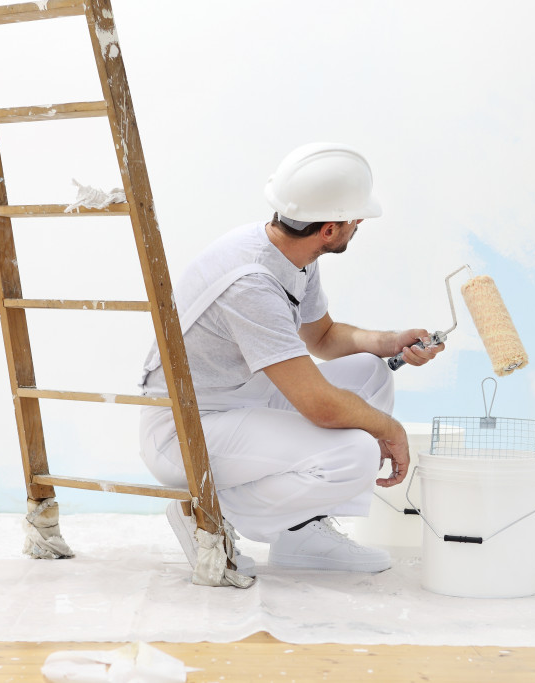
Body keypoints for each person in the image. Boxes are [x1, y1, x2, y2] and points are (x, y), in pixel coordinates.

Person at [138, 142, 444, 576]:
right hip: (186, 430)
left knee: (370, 374)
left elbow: (321, 337)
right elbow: (318, 404)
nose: (359, 226)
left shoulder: (292, 254)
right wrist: (390, 430)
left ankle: (300, 535)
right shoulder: (250, 283)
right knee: (355, 452)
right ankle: (203, 508)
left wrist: (391, 341)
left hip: (240, 404)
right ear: (329, 230)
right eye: (355, 220)